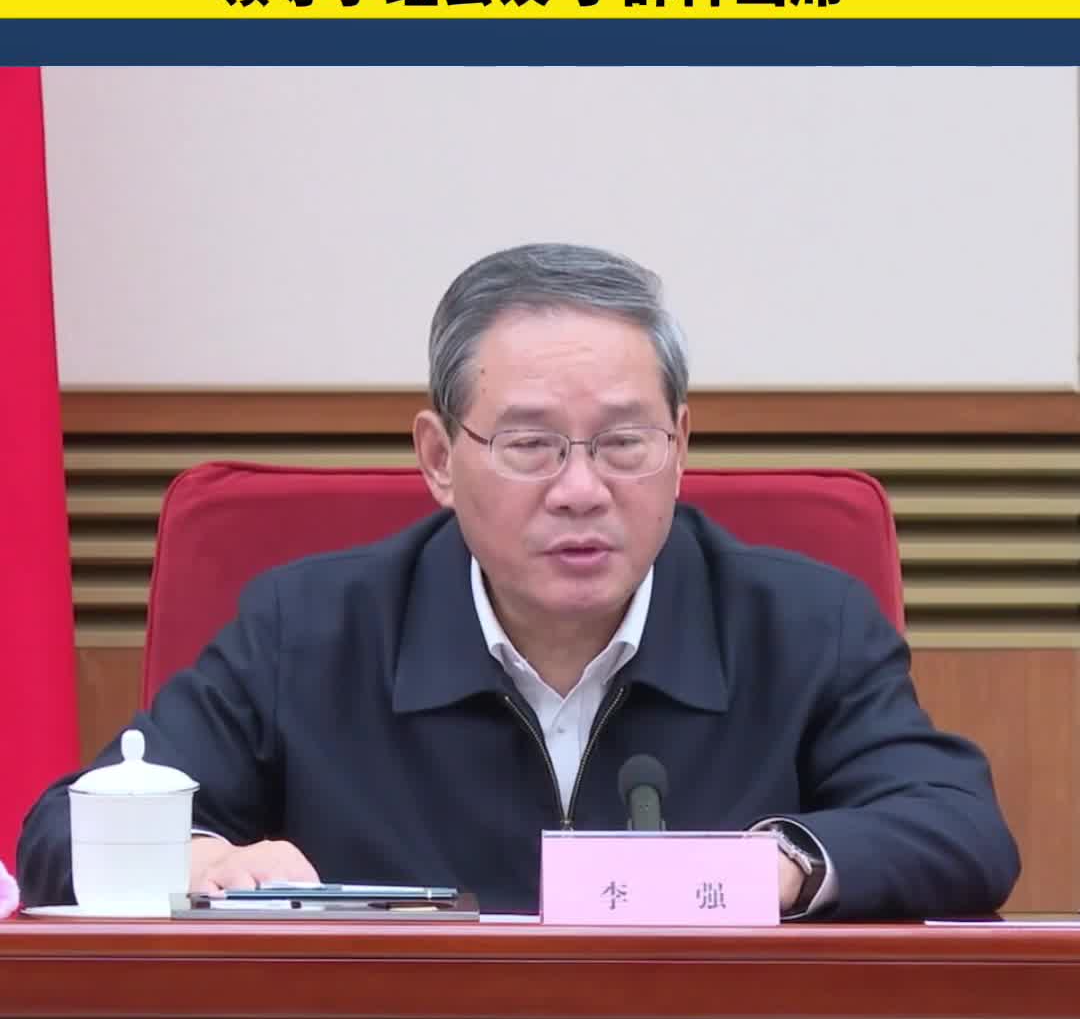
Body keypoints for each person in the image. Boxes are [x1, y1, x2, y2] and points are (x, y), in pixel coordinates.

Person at [18, 243, 1019, 918]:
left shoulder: (801, 623)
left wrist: (781, 865)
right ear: (438, 458)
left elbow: (958, 828)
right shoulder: (309, 629)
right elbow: (63, 830)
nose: (582, 490)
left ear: (680, 446)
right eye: (532, 445)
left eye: (624, 442)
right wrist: (196, 861)